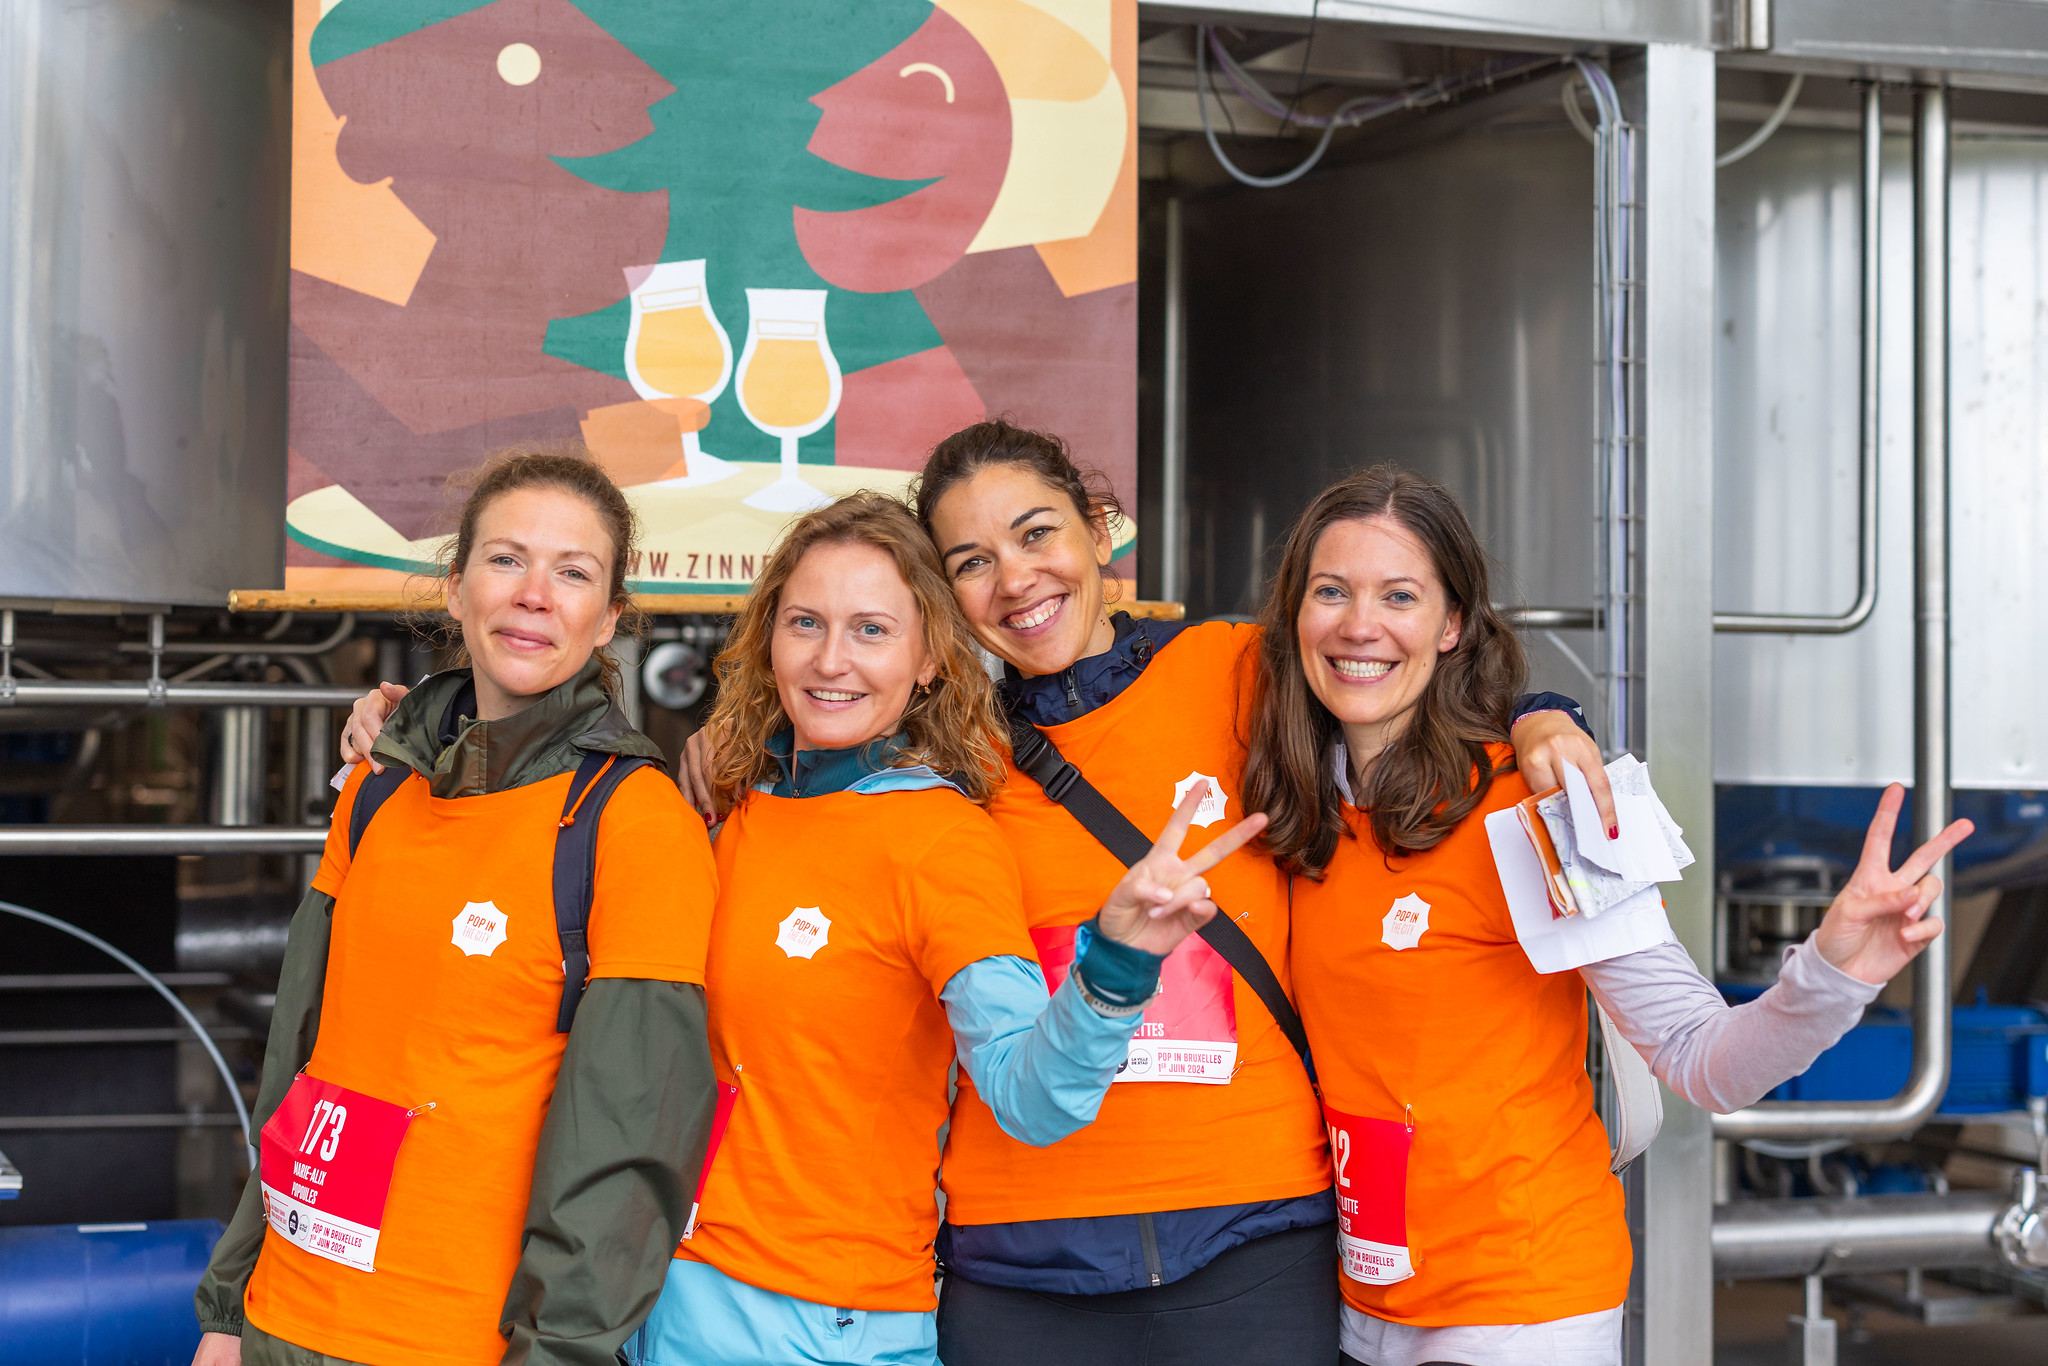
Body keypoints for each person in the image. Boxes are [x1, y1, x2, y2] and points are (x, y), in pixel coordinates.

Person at [340, 422, 1604, 1364]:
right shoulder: (939, 760)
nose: (1014, 579)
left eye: (1037, 535)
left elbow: (1390, 677)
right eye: (970, 561)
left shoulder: (1236, 673)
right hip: (1008, 1251)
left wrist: (1546, 715)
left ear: (1097, 529)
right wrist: (423, 725)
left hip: (1246, 1234)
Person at [1246, 466, 1974, 1366]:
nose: (1361, 625)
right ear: (1296, 615)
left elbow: (1705, 1062)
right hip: (1363, 1304)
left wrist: (1835, 970)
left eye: (1400, 594)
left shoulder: (1539, 806)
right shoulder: (1296, 816)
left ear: (1452, 625)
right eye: (1331, 592)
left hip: (1523, 1309)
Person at [631, 491, 1263, 1365]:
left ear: (930, 659)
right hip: (672, 1298)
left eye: (873, 631)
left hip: (827, 1324)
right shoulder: (736, 808)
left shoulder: (941, 840)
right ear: (766, 638)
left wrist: (1117, 964)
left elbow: (1029, 1097)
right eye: (805, 622)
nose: (831, 659)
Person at [192, 445, 722, 1366]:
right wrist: (230, 1310)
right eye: (506, 559)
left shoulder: (635, 824)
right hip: (286, 1318)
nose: (533, 593)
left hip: (458, 1341)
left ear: (610, 621)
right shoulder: (377, 792)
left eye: (573, 572)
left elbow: (629, 1150)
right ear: (454, 587)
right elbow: (301, 1068)